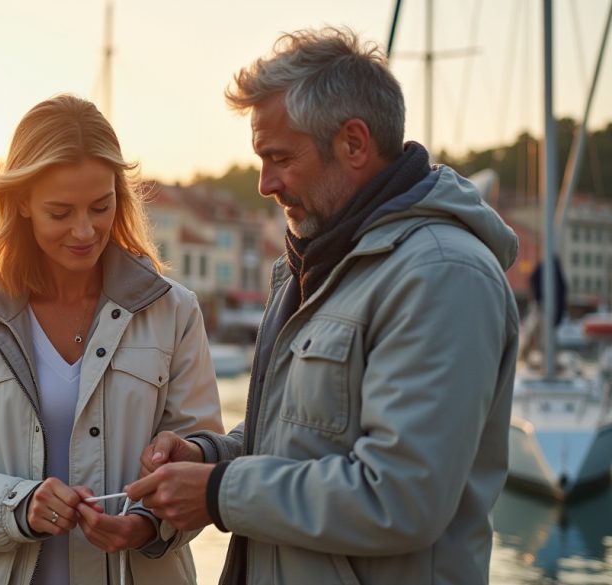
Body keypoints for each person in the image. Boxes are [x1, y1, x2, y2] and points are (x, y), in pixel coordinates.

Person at [126, 27, 519, 585]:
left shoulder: (441, 276)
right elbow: (299, 438)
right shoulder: (311, 265)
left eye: (280, 157)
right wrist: (209, 456)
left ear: (354, 144)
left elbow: (402, 497)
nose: (264, 184)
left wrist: (217, 493)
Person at [0, 94, 224, 585]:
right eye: (60, 212)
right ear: (22, 203)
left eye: (100, 206)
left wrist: (146, 524)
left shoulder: (174, 311)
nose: (84, 230)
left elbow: (205, 459)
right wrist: (19, 506)